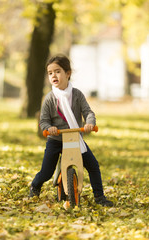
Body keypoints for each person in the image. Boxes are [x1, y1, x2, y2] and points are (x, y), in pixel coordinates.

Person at [28, 54, 114, 207]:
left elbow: (88, 112)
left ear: (68, 73)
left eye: (58, 71)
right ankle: (35, 186)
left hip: (74, 140)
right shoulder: (49, 98)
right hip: (56, 140)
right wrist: (49, 128)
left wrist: (89, 123)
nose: (53, 75)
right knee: (46, 172)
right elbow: (44, 120)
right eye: (50, 73)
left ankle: (99, 197)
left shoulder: (77, 95)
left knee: (93, 166)